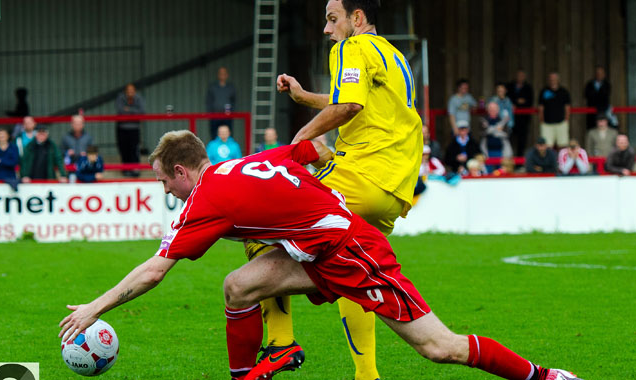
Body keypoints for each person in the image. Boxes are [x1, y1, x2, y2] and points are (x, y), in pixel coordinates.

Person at [58, 131, 582, 380]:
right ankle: (255, 370)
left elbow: (155, 271)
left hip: (355, 254)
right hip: (317, 253)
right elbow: (316, 149)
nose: (163, 191)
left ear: (180, 170)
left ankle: (545, 377)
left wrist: (95, 307)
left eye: (162, 181)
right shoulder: (244, 163)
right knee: (238, 285)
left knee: (439, 348)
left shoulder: (207, 198)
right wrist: (316, 198)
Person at [267, 1, 425, 377]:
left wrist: (300, 140)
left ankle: (279, 344)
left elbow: (350, 104)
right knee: (351, 269)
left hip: (361, 173)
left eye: (332, 19)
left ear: (357, 19)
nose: (327, 29)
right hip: (393, 190)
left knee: (262, 223)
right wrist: (305, 98)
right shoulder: (392, 55)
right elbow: (359, 102)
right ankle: (366, 374)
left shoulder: (351, 47)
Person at [115, 84, 146, 176]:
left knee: (134, 148)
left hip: (134, 128)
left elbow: (142, 111)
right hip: (122, 128)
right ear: (125, 91)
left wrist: (128, 110)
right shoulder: (120, 98)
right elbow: (120, 111)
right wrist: (133, 112)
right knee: (123, 148)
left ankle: (135, 169)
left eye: (132, 91)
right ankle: (126, 169)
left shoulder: (139, 98)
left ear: (135, 91)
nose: (130, 93)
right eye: (128, 91)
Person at [538, 72, 571, 149]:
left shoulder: (564, 92)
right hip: (547, 124)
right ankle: (550, 161)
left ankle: (561, 161)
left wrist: (566, 120)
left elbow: (567, 107)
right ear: (549, 80)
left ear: (558, 80)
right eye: (551, 79)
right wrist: (542, 121)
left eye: (554, 79)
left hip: (561, 123)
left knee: (563, 146)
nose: (553, 80)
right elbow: (540, 108)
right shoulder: (544, 91)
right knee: (547, 147)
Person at [507, 69, 534, 157]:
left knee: (521, 141)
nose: (520, 77)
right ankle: (508, 162)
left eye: (522, 76)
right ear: (516, 76)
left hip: (523, 119)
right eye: (518, 75)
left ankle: (519, 163)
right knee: (508, 140)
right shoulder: (510, 86)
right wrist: (517, 101)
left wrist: (517, 102)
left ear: (524, 77)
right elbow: (508, 99)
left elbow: (529, 102)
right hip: (511, 119)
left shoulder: (528, 88)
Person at [206, 67, 237, 137]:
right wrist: (210, 114)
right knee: (214, 135)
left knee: (228, 136)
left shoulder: (231, 87)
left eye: (224, 74)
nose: (222, 75)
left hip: (227, 117)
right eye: (221, 74)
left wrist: (231, 112)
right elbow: (208, 102)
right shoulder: (212, 87)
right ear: (218, 75)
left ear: (227, 75)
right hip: (215, 117)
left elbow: (234, 102)